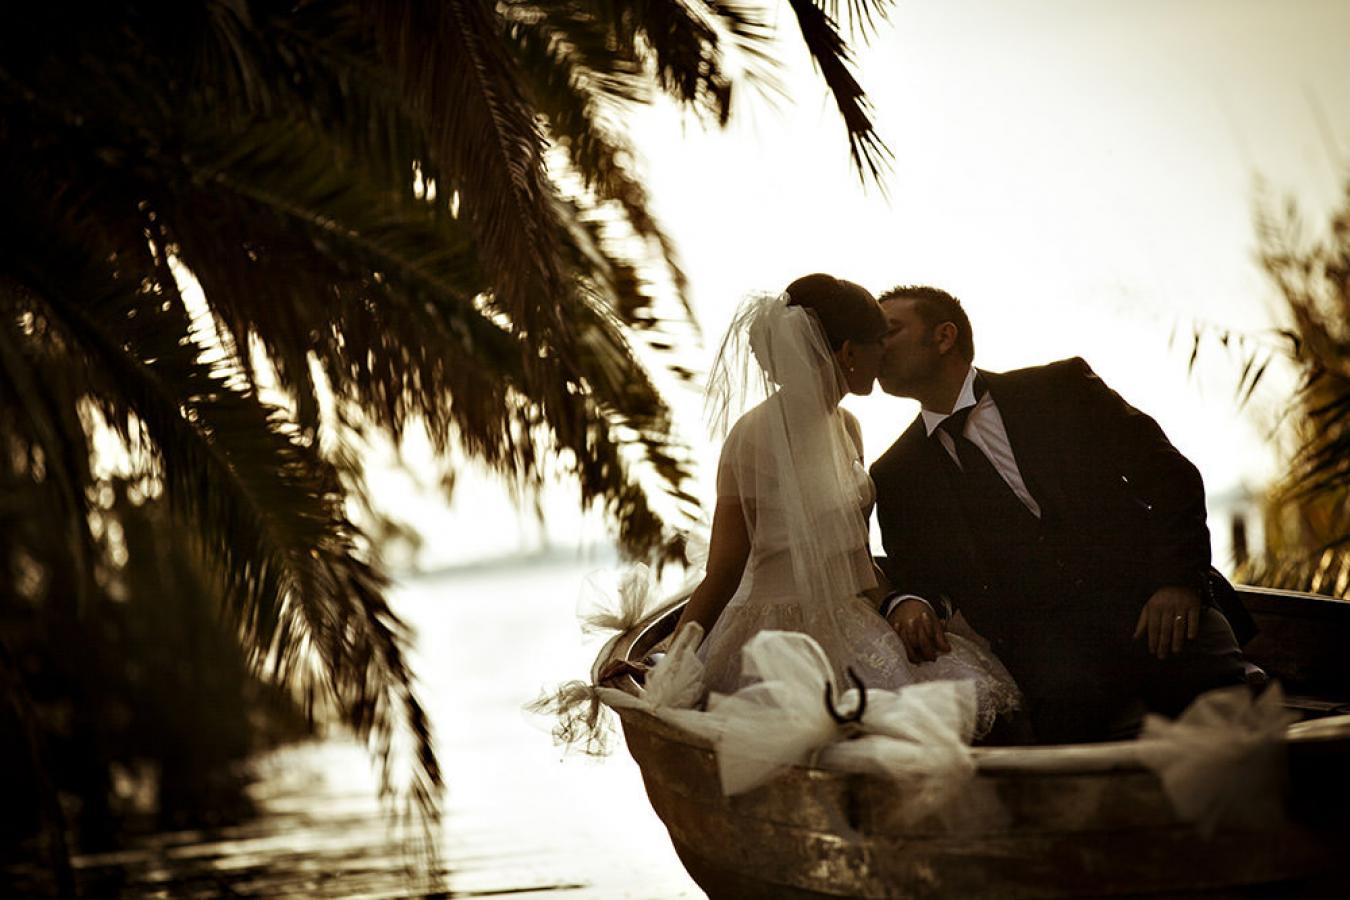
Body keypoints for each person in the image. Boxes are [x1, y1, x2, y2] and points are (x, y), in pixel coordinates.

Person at [869, 285, 1259, 744]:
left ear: (943, 337)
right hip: (1048, 649)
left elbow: (1171, 476)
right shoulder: (895, 472)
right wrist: (906, 600)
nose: (878, 346)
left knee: (1227, 709)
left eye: (890, 330)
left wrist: (1176, 583)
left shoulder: (1060, 389)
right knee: (1064, 738)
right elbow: (919, 573)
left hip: (1149, 601)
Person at [674, 274, 1020, 736]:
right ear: (849, 353)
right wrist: (674, 661)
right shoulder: (753, 435)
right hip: (775, 637)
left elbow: (852, 554)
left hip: (850, 615)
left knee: (959, 686)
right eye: (879, 341)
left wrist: (897, 604)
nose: (886, 354)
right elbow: (724, 570)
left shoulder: (848, 426)